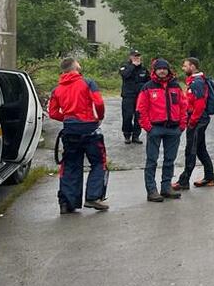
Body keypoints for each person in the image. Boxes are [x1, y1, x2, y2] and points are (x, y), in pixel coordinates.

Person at [47, 57, 110, 214]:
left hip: (70, 130)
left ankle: (67, 203)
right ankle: (93, 197)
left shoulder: (57, 89)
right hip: (89, 128)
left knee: (70, 166)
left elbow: (53, 112)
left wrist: (68, 119)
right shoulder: (87, 83)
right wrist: (98, 117)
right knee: (98, 162)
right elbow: (99, 103)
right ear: (75, 67)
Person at [136, 58, 187, 202]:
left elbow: (183, 106)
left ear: (168, 70)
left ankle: (166, 187)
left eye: (164, 68)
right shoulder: (147, 87)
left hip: (173, 128)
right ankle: (151, 190)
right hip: (155, 128)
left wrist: (182, 125)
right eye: (159, 69)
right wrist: (148, 127)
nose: (162, 71)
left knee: (170, 160)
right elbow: (141, 109)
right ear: (155, 71)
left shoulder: (176, 86)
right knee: (152, 160)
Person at [172, 57, 214, 191]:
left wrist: (192, 122)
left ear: (193, 66)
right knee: (201, 149)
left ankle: (183, 181)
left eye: (185, 66)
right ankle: (209, 178)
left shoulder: (197, 83)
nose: (183, 68)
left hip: (198, 120)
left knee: (191, 150)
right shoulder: (195, 81)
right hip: (198, 119)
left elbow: (200, 104)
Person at [118, 49, 149, 144]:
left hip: (140, 97)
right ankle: (127, 135)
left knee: (138, 116)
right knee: (127, 116)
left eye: (138, 56)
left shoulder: (143, 69)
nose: (137, 58)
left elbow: (149, 81)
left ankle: (136, 136)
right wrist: (133, 66)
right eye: (135, 56)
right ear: (130, 57)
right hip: (128, 96)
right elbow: (125, 75)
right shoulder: (125, 66)